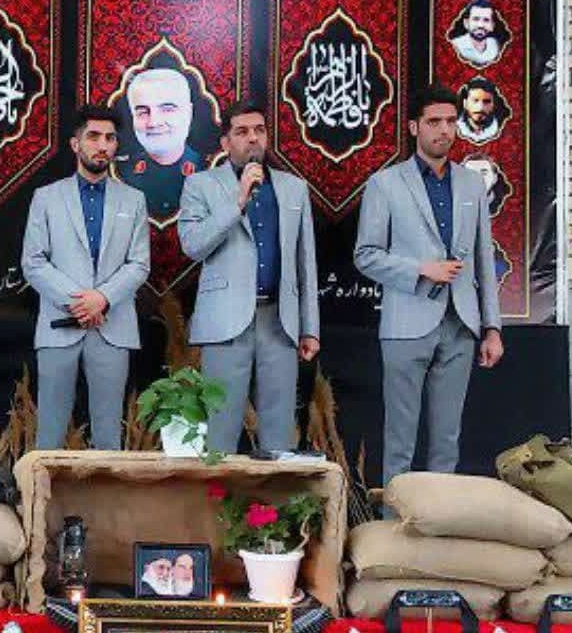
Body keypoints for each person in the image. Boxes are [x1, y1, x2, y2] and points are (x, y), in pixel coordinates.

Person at [354, 84, 503, 495]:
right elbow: (365, 256)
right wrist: (421, 269)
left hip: (460, 325)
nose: (444, 130)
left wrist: (492, 328)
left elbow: (483, 260)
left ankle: (438, 527)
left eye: (451, 122)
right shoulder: (386, 184)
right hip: (406, 323)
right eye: (434, 122)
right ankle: (393, 526)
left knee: (447, 443)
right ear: (413, 127)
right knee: (399, 443)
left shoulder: (471, 185)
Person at [178, 102, 320, 453]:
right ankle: (216, 493)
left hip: (280, 321)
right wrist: (238, 200)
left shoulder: (293, 188)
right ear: (226, 143)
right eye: (242, 132)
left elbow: (305, 262)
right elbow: (193, 245)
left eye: (259, 130)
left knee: (279, 433)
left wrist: (310, 328)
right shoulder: (201, 185)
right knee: (221, 430)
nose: (253, 138)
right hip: (225, 322)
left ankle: (273, 492)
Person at [22, 105, 150, 450]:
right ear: (75, 144)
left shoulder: (133, 200)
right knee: (49, 434)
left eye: (110, 138)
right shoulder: (46, 197)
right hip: (59, 325)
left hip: (113, 327)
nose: (102, 145)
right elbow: (33, 262)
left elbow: (139, 264)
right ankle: (44, 490)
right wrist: (81, 303)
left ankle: (105, 491)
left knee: (109, 435)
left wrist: (102, 299)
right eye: (93, 137)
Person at [117, 68, 205, 219]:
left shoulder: (209, 169)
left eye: (167, 109)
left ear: (188, 113)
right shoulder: (119, 173)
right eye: (143, 112)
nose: (154, 122)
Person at [450, 0, 502, 67]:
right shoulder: (454, 46)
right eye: (476, 19)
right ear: (466, 23)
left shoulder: (495, 45)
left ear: (492, 25)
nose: (480, 25)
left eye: (486, 20)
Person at [456, 76, 505, 143]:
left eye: (486, 102)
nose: (481, 107)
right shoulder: (454, 128)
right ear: (465, 103)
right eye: (475, 100)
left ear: (494, 104)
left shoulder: (501, 129)